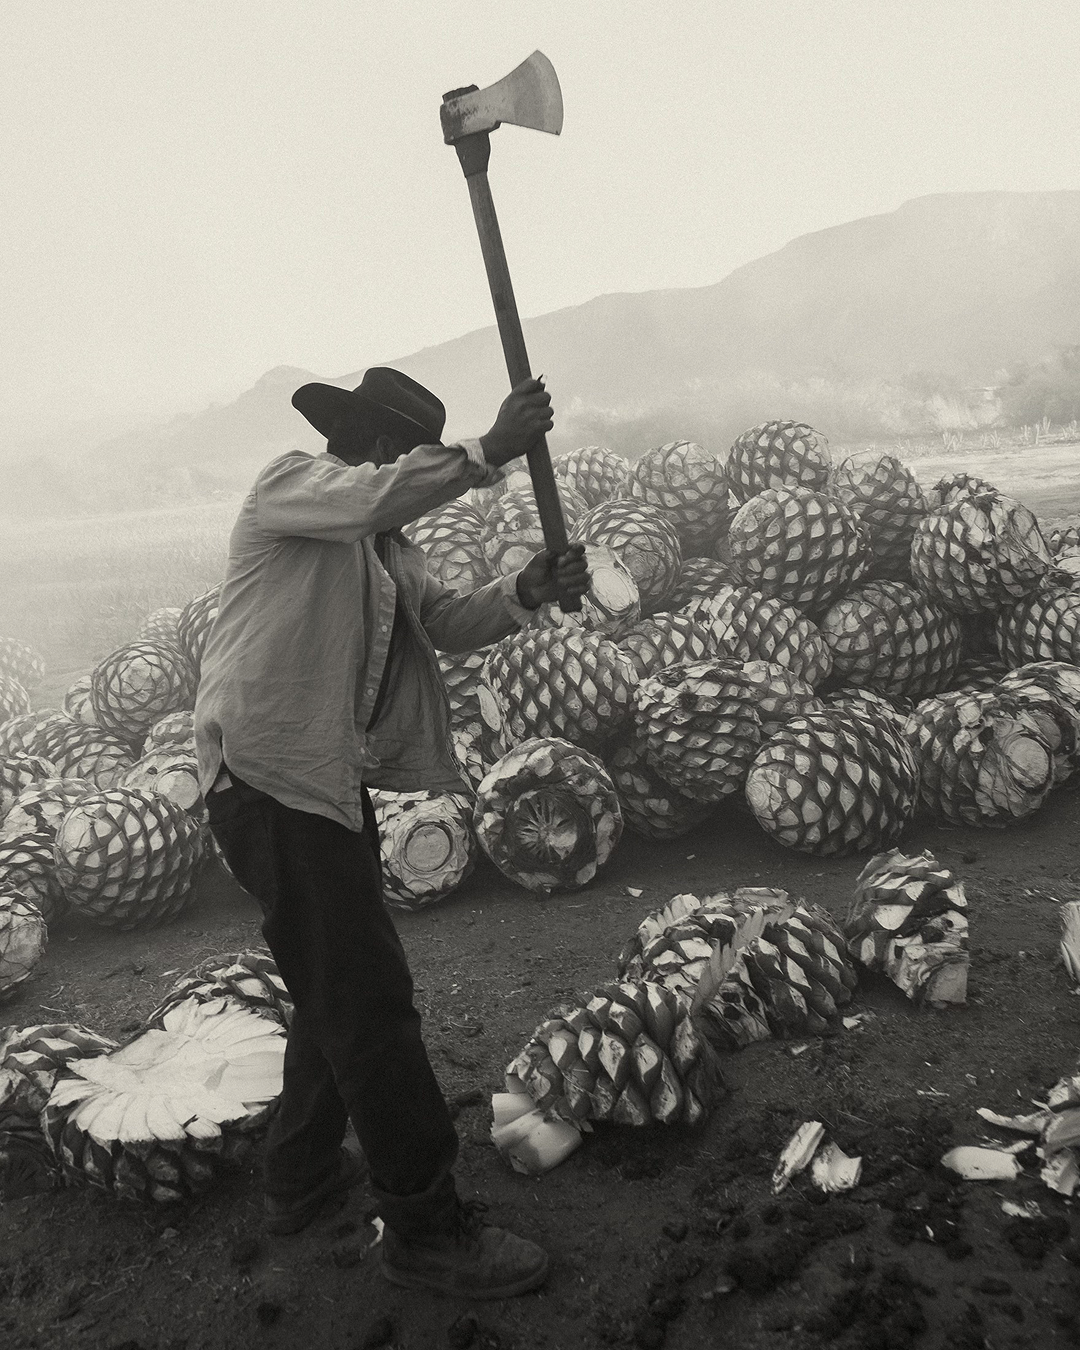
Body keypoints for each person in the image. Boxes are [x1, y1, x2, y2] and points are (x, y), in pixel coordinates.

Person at [194, 367, 589, 1299]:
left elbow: (446, 620)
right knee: (371, 1003)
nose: (412, 470)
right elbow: (374, 495)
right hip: (269, 779)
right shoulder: (297, 488)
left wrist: (525, 586)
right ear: (379, 445)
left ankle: (299, 1178)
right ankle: (423, 1226)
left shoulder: (389, 553)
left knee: (336, 982)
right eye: (410, 454)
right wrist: (491, 449)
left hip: (322, 782)